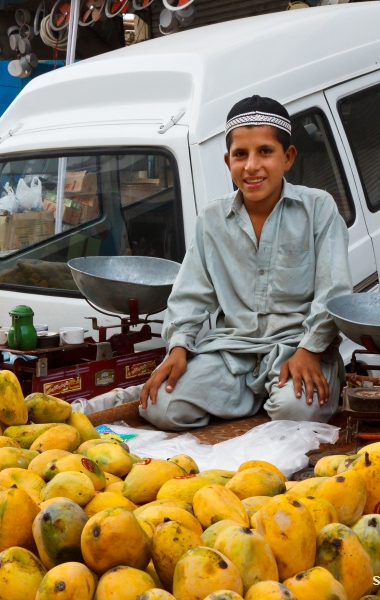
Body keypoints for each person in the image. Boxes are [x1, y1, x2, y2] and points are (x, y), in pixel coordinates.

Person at [139, 95, 352, 430]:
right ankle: (250, 399)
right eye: (241, 154)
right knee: (162, 406)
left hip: (296, 350)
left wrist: (310, 350)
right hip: (230, 354)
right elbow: (189, 297)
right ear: (228, 161)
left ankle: (267, 398)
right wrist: (178, 348)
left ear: (288, 157)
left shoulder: (318, 210)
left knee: (293, 412)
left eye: (265, 151)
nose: (252, 166)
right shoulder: (211, 219)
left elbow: (335, 294)